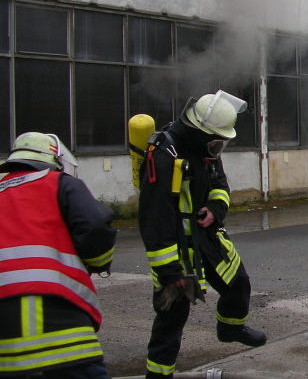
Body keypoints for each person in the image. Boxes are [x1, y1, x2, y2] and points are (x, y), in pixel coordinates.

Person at [138, 90, 266, 379]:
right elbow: (153, 217)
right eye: (216, 140)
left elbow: (220, 184)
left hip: (206, 236)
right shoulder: (163, 155)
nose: (219, 147)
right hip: (175, 248)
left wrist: (214, 209)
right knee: (173, 315)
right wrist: (169, 272)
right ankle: (158, 374)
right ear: (199, 131)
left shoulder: (205, 148)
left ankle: (231, 327)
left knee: (238, 283)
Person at [0, 132, 116, 379]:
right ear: (51, 160)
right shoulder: (59, 182)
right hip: (63, 330)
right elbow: (96, 226)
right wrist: (98, 263)